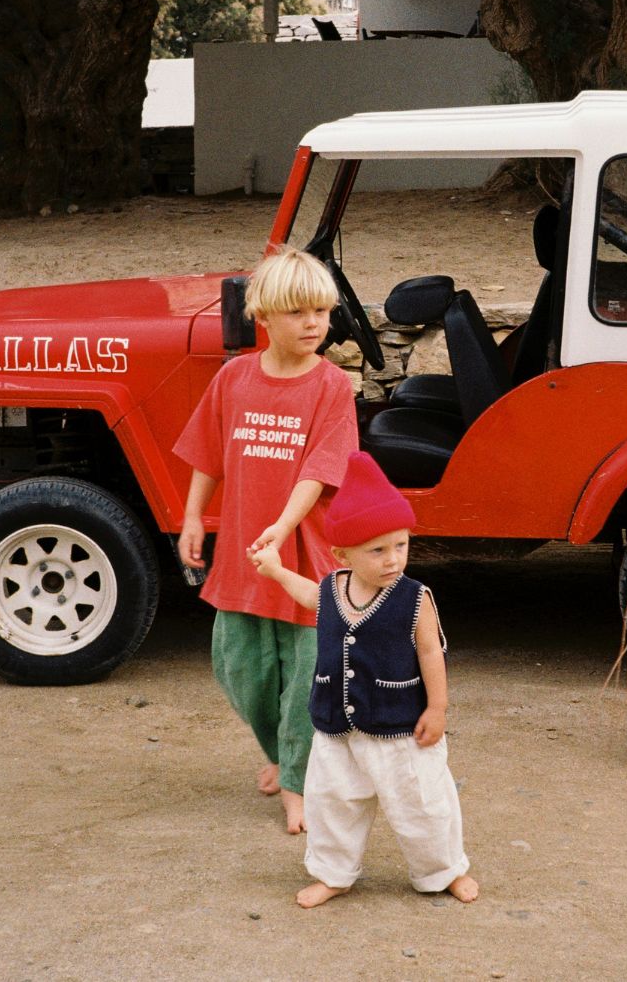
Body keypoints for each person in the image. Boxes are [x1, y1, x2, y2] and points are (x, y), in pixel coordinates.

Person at [174, 247, 357, 833]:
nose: (314, 325)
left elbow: (321, 469)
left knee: (308, 672)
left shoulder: (331, 386)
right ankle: (280, 753)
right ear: (265, 317)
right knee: (242, 668)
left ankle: (298, 783)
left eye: (322, 312)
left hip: (303, 553)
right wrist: (192, 516)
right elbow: (209, 452)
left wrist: (282, 525)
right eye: (300, 313)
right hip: (243, 553)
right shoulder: (234, 378)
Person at [250, 451, 478, 908]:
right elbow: (309, 596)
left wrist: (438, 708)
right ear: (342, 554)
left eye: (401, 545)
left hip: (401, 727)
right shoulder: (334, 588)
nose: (393, 559)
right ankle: (333, 873)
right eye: (377, 550)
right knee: (332, 803)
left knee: (423, 805)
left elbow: (432, 652)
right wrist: (275, 570)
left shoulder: (416, 599)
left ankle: (443, 870)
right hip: (336, 727)